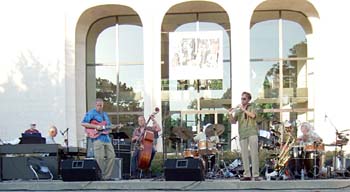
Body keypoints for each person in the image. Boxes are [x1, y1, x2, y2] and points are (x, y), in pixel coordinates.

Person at [228, 91, 260, 181]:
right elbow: (233, 122)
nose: (242, 100)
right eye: (241, 98)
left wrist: (243, 109)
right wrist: (230, 114)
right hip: (242, 133)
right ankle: (247, 175)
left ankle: (256, 175)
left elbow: (253, 116)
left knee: (254, 154)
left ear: (249, 99)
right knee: (244, 155)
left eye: (244, 98)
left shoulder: (252, 106)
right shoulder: (239, 111)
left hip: (252, 132)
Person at [81, 98, 115, 181]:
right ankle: (100, 176)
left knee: (112, 156)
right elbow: (83, 123)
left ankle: (106, 176)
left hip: (106, 138)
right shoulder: (91, 113)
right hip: (97, 137)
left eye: (101, 105)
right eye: (98, 105)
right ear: (95, 105)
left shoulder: (105, 115)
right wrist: (96, 127)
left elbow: (109, 126)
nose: (100, 107)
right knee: (99, 158)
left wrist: (115, 126)